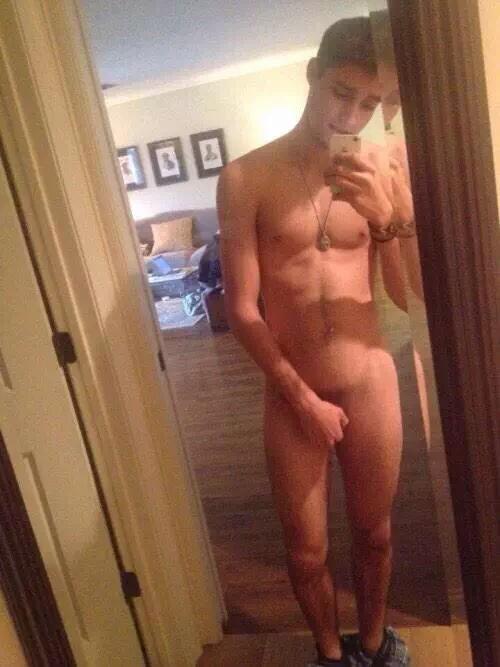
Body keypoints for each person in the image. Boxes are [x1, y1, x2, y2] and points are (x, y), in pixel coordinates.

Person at [216, 16, 413, 667]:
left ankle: (375, 644)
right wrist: (303, 400)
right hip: (291, 390)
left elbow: (406, 297)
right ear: (313, 75)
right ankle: (330, 654)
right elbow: (241, 309)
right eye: (340, 93)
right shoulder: (246, 177)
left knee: (375, 534)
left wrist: (387, 223)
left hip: (369, 378)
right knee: (305, 551)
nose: (351, 116)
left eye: (369, 103)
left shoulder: (388, 167)